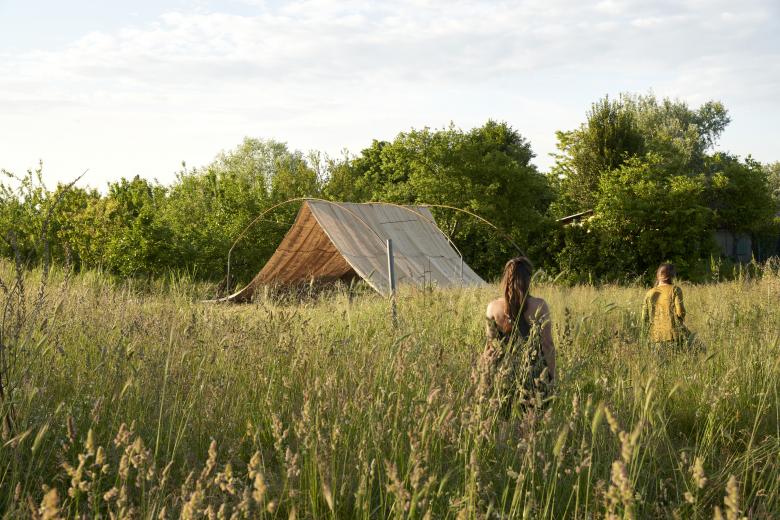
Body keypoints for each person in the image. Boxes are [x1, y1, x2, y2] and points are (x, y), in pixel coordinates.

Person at [481, 256, 556, 418]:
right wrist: (552, 377)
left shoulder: (492, 307)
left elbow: (490, 348)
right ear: (528, 279)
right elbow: (547, 345)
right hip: (534, 376)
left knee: (504, 421)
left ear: (505, 279)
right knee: (531, 423)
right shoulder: (540, 305)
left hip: (503, 375)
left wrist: (485, 379)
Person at [642, 263, 690, 347]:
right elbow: (680, 312)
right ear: (672, 276)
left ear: (658, 275)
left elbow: (644, 318)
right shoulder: (675, 289)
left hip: (655, 337)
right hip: (674, 335)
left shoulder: (649, 293)